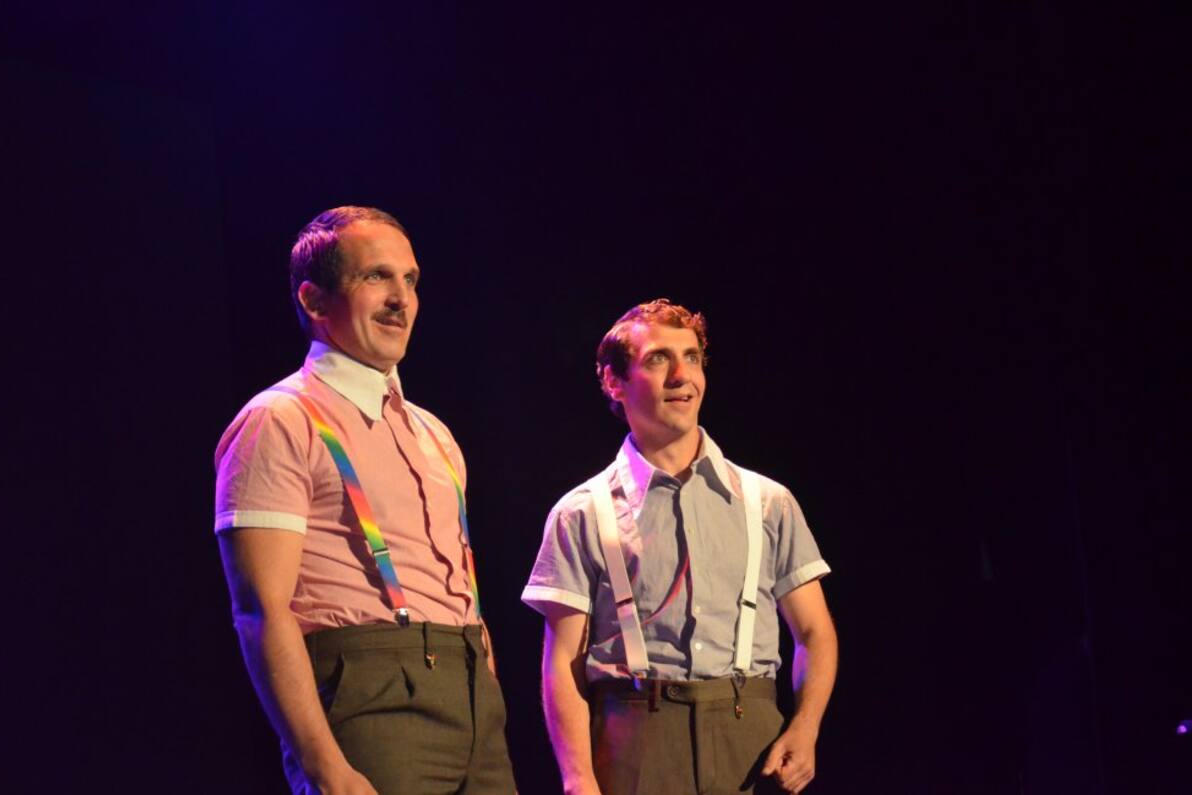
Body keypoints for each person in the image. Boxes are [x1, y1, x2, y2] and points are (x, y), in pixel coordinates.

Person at [215, 206, 515, 795]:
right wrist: (323, 767)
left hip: (473, 699)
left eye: (411, 280)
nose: (401, 299)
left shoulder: (433, 433)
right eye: (377, 276)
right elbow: (260, 610)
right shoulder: (280, 419)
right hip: (372, 696)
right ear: (314, 299)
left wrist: (483, 684)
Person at [522, 299, 837, 794]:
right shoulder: (582, 512)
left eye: (691, 357)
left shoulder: (766, 501)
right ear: (614, 382)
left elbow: (815, 633)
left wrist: (805, 727)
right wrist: (578, 779)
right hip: (636, 740)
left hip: (749, 739)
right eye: (657, 359)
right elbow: (563, 661)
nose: (681, 375)